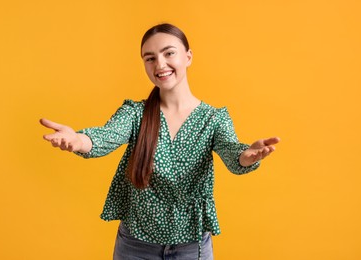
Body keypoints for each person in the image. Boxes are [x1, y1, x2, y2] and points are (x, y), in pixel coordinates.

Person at [40, 23, 280, 260]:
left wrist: (246, 156)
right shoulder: (135, 113)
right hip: (135, 245)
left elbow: (232, 152)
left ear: (188, 56)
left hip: (191, 246)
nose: (160, 64)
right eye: (150, 58)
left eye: (169, 53)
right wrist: (78, 140)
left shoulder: (214, 118)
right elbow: (105, 137)